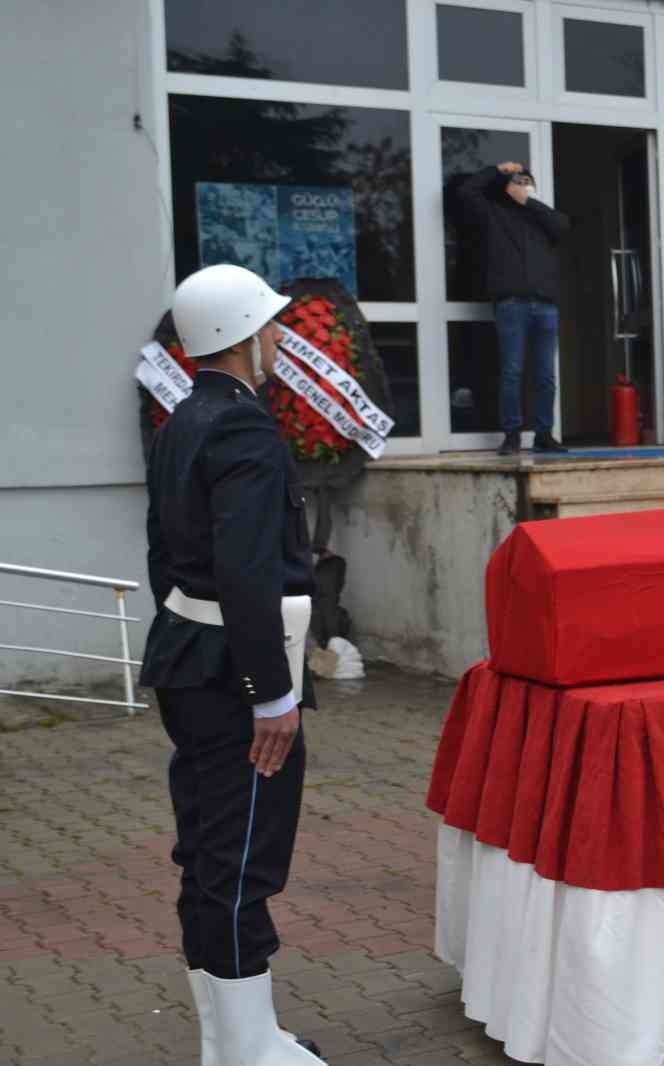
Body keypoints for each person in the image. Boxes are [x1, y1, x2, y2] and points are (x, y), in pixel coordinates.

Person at [141, 264, 326, 1064]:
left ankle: (234, 1039)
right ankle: (249, 1051)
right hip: (232, 673)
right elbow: (247, 568)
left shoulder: (183, 417)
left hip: (190, 657)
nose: (281, 337)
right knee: (241, 855)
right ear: (245, 338)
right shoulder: (244, 429)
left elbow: (163, 556)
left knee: (209, 851)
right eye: (272, 326)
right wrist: (271, 695)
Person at [453, 161, 572, 455]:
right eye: (518, 182)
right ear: (507, 187)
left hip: (545, 306)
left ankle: (544, 434)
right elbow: (465, 193)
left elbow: (563, 225)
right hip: (512, 304)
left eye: (527, 182)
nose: (523, 186)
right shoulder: (494, 215)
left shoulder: (540, 217)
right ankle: (512, 435)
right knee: (512, 372)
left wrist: (529, 202)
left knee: (545, 375)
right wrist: (496, 170)